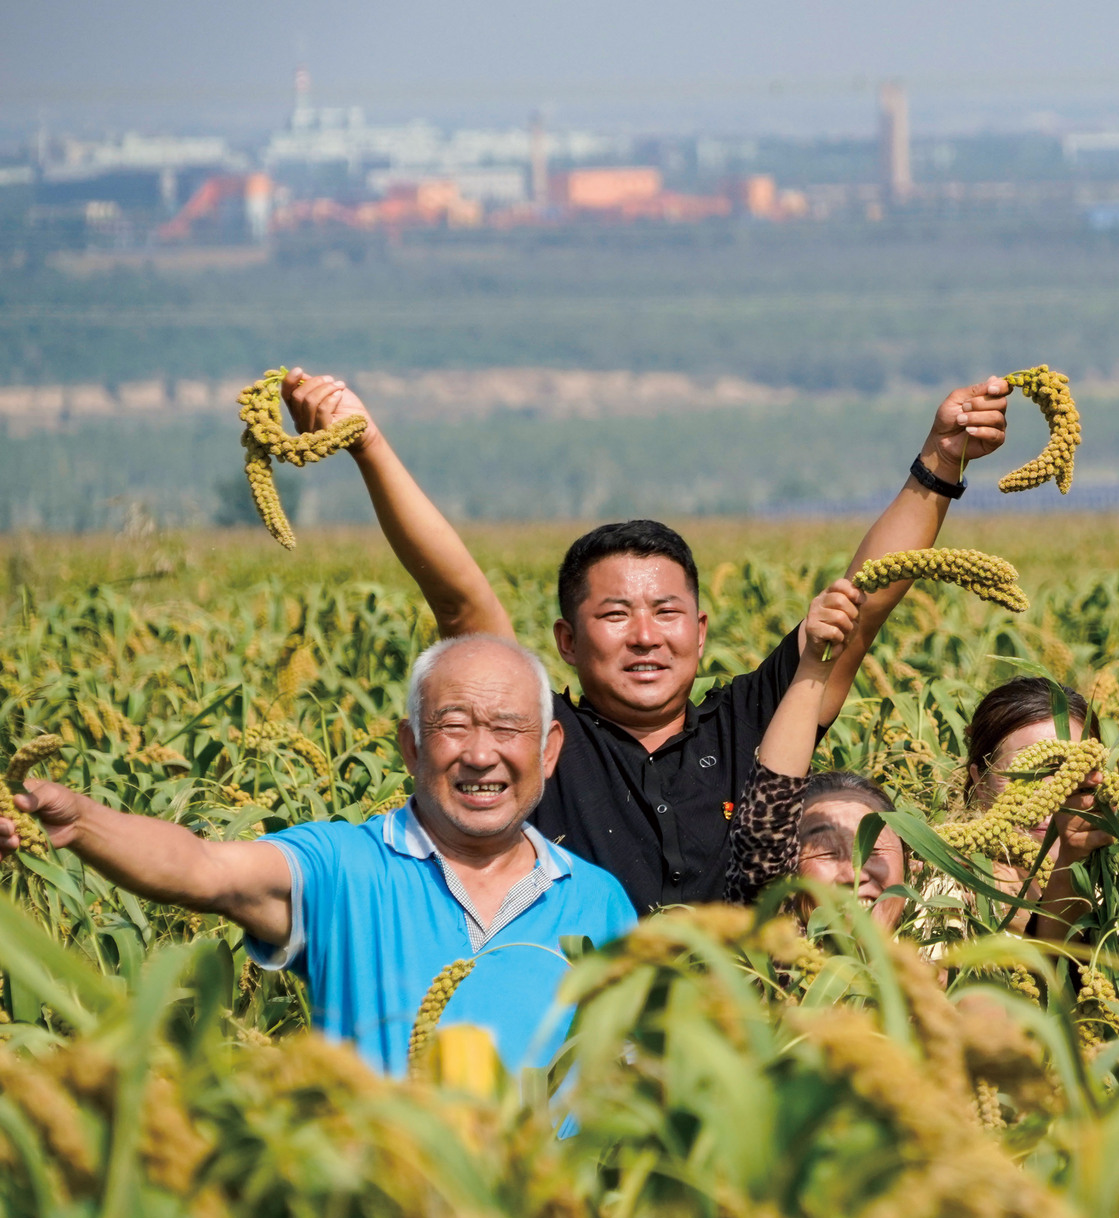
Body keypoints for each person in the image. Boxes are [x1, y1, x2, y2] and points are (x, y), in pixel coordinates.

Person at [277, 367, 1014, 914]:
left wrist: (939, 462)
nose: (644, 638)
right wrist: (366, 445)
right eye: (614, 616)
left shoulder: (754, 723)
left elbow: (869, 597)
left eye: (666, 613)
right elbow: (462, 601)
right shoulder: (543, 740)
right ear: (566, 639)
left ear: (699, 633)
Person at [0, 635, 636, 1075]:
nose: (480, 753)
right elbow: (199, 869)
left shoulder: (599, 902)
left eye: (506, 727)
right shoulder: (343, 868)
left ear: (549, 751)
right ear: (411, 747)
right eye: (453, 725)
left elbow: (630, 1073)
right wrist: (79, 822)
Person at [909, 677, 1119, 946]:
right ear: (979, 781)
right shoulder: (942, 893)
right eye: (1027, 774)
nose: (1051, 794)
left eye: (1071, 771)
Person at [721, 579, 910, 931]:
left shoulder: (948, 962)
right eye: (826, 852)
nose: (854, 875)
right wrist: (815, 663)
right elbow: (769, 815)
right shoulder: (771, 968)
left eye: (875, 851)